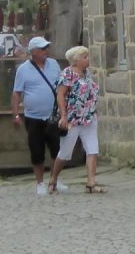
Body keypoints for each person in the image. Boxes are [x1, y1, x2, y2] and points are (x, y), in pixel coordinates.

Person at [10, 36, 62, 196]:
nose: (46, 51)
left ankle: (55, 180)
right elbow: (17, 93)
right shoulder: (23, 70)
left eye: (47, 47)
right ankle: (40, 183)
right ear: (34, 52)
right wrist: (16, 114)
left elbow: (61, 87)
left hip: (53, 115)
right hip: (33, 117)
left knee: (57, 150)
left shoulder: (54, 65)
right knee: (37, 150)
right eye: (42, 48)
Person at [49, 46, 102, 194]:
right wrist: (64, 116)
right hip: (73, 119)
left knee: (92, 149)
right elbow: (61, 95)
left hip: (89, 117)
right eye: (85, 57)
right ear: (76, 60)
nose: (88, 59)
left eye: (87, 56)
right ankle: (53, 179)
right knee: (65, 153)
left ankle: (91, 182)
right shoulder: (67, 74)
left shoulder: (87, 74)